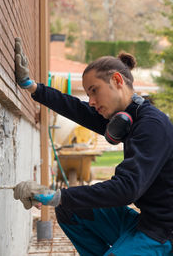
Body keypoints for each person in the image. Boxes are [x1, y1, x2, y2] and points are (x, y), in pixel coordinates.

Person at [13, 37, 173, 256]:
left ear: (117, 80)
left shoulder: (151, 125)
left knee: (66, 201)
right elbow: (77, 109)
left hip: (164, 234)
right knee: (70, 210)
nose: (90, 100)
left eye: (94, 91)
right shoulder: (128, 116)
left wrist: (57, 195)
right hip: (145, 224)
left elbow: (127, 188)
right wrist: (32, 87)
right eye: (88, 94)